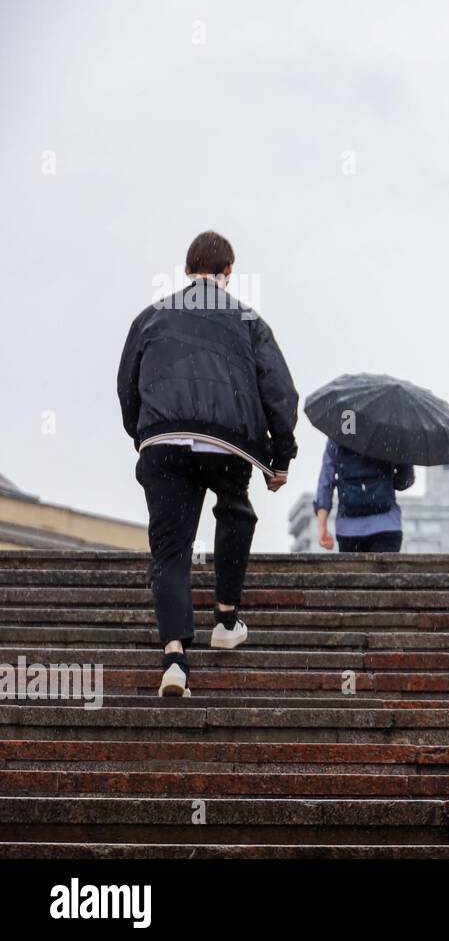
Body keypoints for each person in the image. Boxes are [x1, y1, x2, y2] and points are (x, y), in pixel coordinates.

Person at [117, 230, 299, 698]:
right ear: (229, 273)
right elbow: (280, 390)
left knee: (171, 548)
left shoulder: (152, 316)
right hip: (227, 442)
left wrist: (144, 433)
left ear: (185, 271)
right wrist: (280, 458)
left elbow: (127, 384)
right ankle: (225, 617)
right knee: (235, 508)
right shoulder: (248, 320)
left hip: (163, 441)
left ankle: (175, 657)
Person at [313, 439, 415, 552]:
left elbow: (326, 482)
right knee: (384, 570)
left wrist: (322, 527)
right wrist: (387, 482)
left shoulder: (340, 432)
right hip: (386, 525)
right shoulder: (392, 433)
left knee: (355, 570)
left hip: (349, 530)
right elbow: (406, 479)